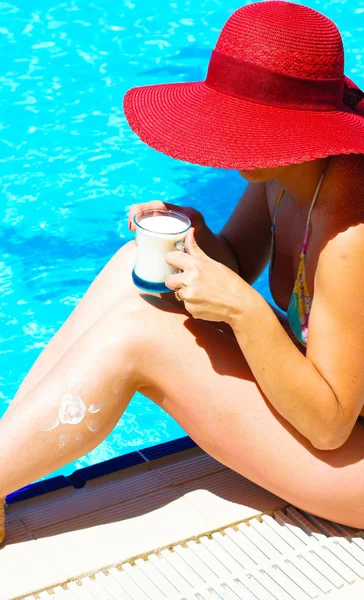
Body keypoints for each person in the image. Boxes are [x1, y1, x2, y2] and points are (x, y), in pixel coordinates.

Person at [1, 0, 364, 546]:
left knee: (141, 334)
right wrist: (192, 235)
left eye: (245, 124)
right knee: (135, 266)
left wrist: (241, 307)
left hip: (350, 460)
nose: (226, 137)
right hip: (333, 430)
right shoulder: (291, 171)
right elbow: (236, 261)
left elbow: (331, 423)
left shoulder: (349, 233)